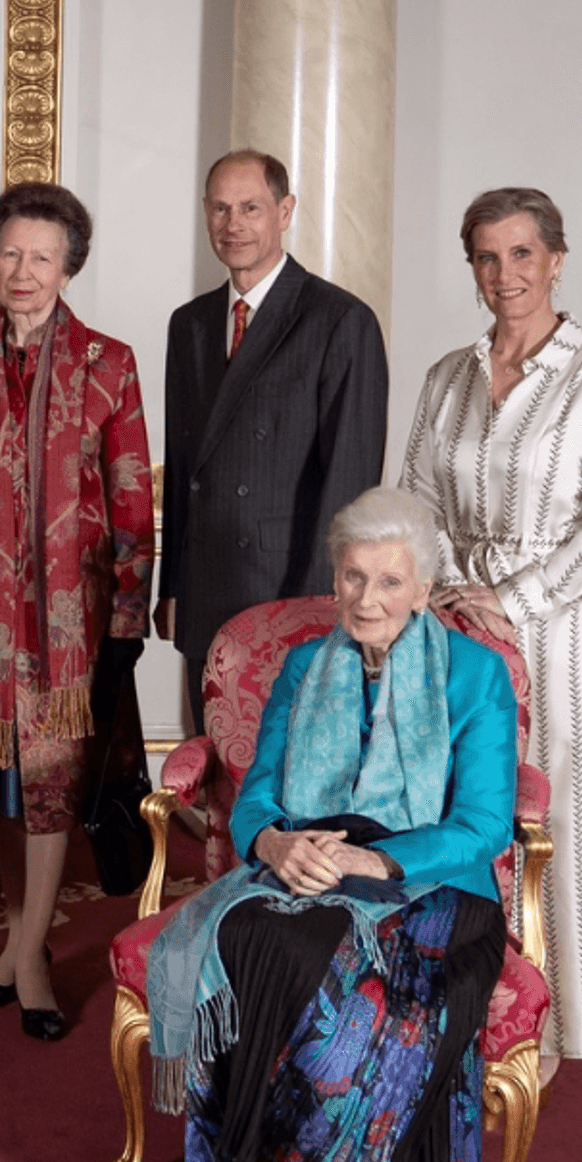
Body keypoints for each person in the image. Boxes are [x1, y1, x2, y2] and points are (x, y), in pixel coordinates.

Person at [145, 486, 516, 1162]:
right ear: (335, 576)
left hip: (434, 881)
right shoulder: (306, 665)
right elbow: (256, 797)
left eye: (390, 581)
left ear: (424, 589)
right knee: (235, 940)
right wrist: (275, 845)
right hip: (311, 860)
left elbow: (484, 824)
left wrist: (375, 858)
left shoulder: (476, 674)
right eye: (353, 576)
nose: (367, 599)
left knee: (377, 999)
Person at [401, 187, 582, 1076]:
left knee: (554, 810)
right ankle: (464, 1008)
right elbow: (417, 498)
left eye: (521, 254)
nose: (503, 274)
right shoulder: (448, 376)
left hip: (558, 626)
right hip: (455, 623)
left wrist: (514, 598)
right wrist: (443, 588)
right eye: (486, 256)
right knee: (462, 808)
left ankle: (550, 1021)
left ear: (555, 260)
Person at [0, 182, 153, 1041]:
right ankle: (14, 939)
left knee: (52, 786)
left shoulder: (110, 363)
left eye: (41, 257)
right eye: (10, 254)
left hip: (71, 619)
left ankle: (29, 958)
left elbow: (133, 499)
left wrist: (128, 622)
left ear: (69, 267)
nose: (22, 271)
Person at [155, 150, 388, 730]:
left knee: (285, 765)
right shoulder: (190, 323)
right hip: (205, 591)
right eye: (220, 209)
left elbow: (350, 482)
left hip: (286, 590)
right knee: (214, 760)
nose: (232, 224)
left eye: (250, 208)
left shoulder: (340, 320)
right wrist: (173, 586)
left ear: (284, 212)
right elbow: (184, 467)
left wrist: (318, 606)